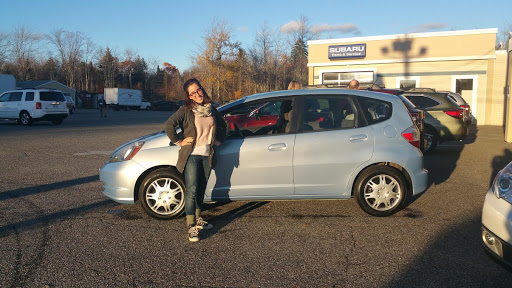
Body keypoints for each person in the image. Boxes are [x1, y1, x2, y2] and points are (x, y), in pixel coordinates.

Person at [163, 78, 227, 242]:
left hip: (207, 155)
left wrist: (219, 140)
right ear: (189, 96)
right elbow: (169, 125)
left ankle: (199, 219)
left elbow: (223, 125)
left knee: (201, 188)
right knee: (191, 190)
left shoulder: (211, 109)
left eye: (198, 90)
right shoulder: (185, 110)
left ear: (202, 89)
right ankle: (191, 226)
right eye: (192, 93)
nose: (197, 94)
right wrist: (179, 141)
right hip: (192, 156)